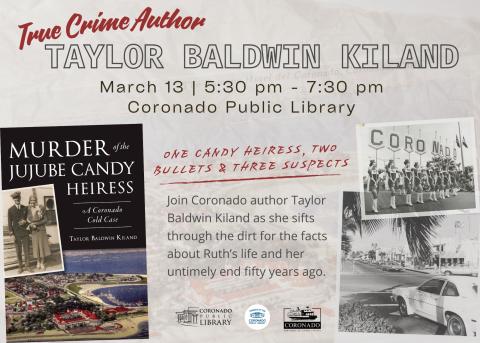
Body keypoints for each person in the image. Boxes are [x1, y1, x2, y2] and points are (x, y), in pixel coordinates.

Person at [7, 191, 31, 274]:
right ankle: (20, 267)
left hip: (25, 232)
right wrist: (11, 234)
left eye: (18, 198)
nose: (17, 199)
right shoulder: (10, 210)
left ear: (20, 198)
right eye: (15, 198)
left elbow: (29, 219)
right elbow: (9, 223)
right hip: (16, 233)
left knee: (26, 250)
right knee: (18, 251)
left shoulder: (25, 208)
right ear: (13, 200)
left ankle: (27, 266)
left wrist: (26, 222)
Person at [26, 195, 51, 271]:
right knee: (36, 247)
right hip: (34, 231)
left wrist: (36, 224)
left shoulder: (40, 207)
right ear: (29, 201)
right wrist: (30, 225)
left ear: (36, 201)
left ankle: (43, 263)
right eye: (31, 200)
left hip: (41, 230)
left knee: (42, 246)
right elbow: (27, 219)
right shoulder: (28, 209)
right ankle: (38, 262)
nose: (33, 202)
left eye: (34, 200)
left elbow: (45, 220)